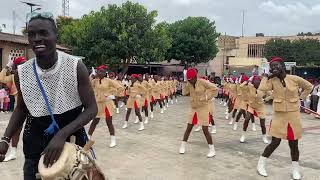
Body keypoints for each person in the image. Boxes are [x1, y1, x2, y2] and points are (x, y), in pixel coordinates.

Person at [0, 13, 98, 179]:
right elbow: (22, 109)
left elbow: (91, 109)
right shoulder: (22, 72)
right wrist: (5, 139)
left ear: (55, 36)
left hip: (72, 138)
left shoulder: (75, 66)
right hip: (35, 141)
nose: (37, 38)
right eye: (32, 34)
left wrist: (61, 135)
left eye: (44, 33)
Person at [256, 57, 312, 180]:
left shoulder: (294, 79)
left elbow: (309, 86)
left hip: (293, 115)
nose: (274, 68)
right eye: (272, 66)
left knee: (294, 144)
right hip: (279, 115)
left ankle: (296, 170)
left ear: (283, 66)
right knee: (275, 142)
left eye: (277, 65)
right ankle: (261, 164)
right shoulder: (272, 80)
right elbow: (260, 92)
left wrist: (301, 98)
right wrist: (266, 77)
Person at [179, 68, 218, 158]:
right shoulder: (189, 83)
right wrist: (186, 83)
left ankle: (212, 150)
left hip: (203, 107)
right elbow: (184, 93)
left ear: (195, 77)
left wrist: (206, 96)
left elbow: (214, 88)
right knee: (188, 127)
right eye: (188, 79)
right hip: (193, 108)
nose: (190, 81)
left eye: (191, 79)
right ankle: (182, 146)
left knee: (205, 129)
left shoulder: (202, 82)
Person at [88, 65, 124, 148]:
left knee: (109, 122)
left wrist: (113, 95)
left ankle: (113, 139)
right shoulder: (95, 81)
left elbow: (121, 88)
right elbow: (88, 85)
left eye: (102, 71)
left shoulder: (108, 81)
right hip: (98, 103)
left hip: (107, 104)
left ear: (105, 73)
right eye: (99, 71)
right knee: (95, 121)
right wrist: (91, 76)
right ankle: (88, 137)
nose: (100, 73)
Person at [0, 56, 26, 162]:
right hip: (20, 107)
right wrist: (7, 66)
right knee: (16, 130)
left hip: (35, 107)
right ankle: (13, 152)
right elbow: (1, 78)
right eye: (21, 64)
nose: (24, 65)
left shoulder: (33, 73)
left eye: (25, 63)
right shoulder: (14, 76)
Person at [239, 76, 272, 144]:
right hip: (251, 106)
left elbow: (272, 95)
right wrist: (247, 81)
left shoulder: (263, 89)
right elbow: (241, 87)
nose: (257, 84)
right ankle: (243, 135)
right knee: (247, 119)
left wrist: (265, 99)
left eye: (258, 83)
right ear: (253, 83)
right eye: (255, 83)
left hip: (260, 107)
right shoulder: (250, 87)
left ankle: (264, 137)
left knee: (262, 123)